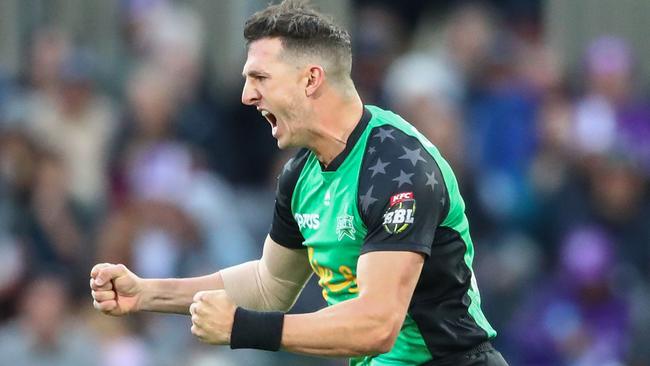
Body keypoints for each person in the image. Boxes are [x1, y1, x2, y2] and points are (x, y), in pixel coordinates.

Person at [90, 1, 509, 365]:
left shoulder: (399, 166)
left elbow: (377, 325)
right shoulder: (300, 174)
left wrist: (244, 329)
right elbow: (268, 285)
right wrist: (146, 293)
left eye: (260, 78)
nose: (246, 96)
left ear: (311, 80)